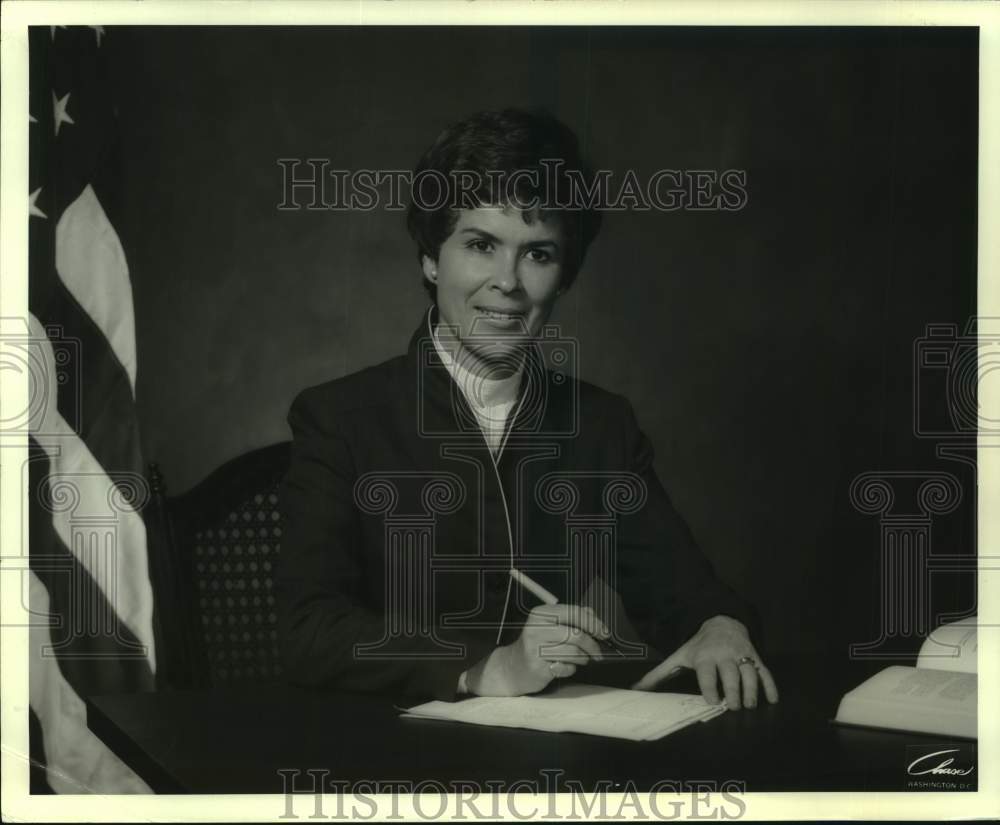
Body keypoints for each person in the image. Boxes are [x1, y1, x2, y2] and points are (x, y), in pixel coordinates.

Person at [277, 108, 779, 710]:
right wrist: (488, 667)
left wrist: (718, 627)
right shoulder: (339, 418)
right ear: (431, 259)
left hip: (551, 761)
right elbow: (307, 633)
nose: (508, 282)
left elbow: (684, 595)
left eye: (538, 254)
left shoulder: (601, 427)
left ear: (563, 278)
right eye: (481, 245)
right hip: (386, 755)